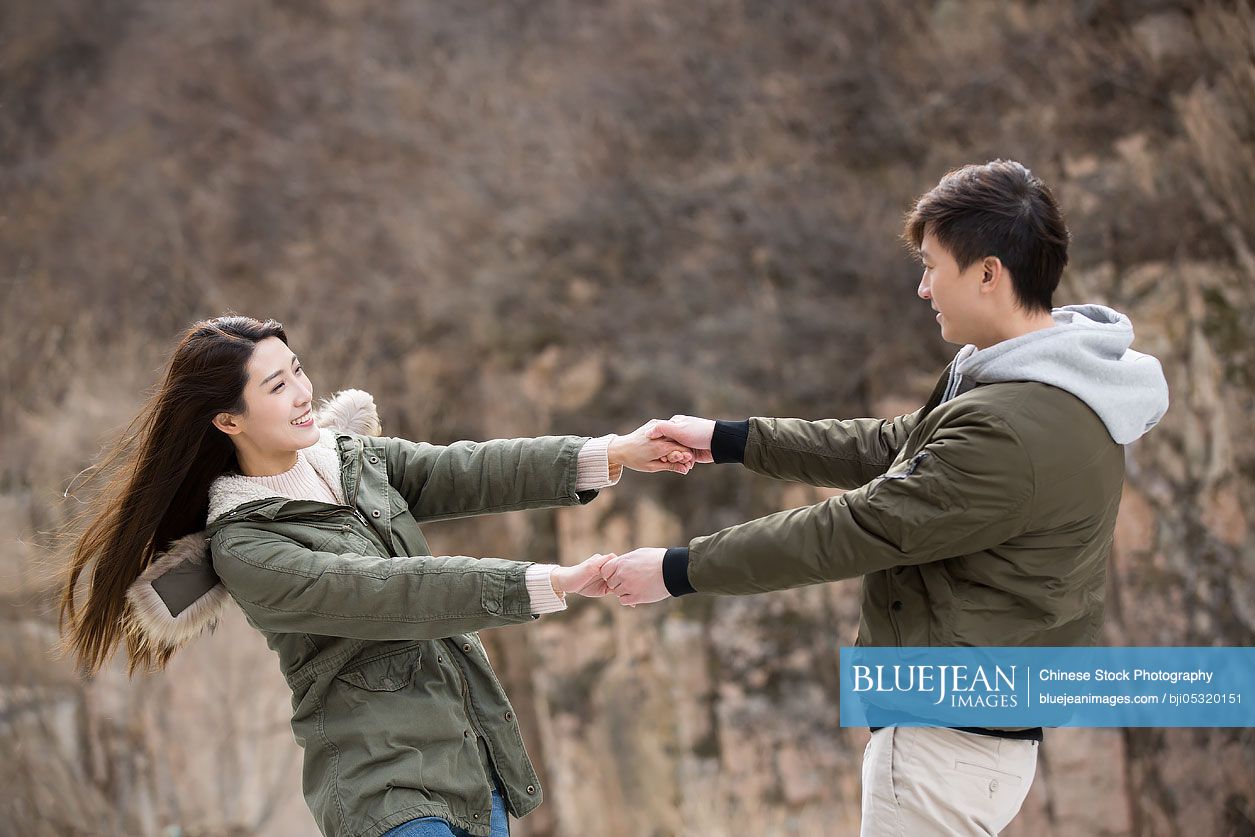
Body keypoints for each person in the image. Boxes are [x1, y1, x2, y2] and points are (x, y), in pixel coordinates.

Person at [599, 160, 1171, 835]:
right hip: (975, 732)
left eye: (932, 266)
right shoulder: (1042, 383)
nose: (922, 286)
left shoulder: (1007, 426)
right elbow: (892, 447)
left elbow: (851, 528)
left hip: (941, 743)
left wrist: (676, 570)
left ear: (988, 272)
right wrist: (730, 439)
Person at [55, 315, 696, 837]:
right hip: (384, 792)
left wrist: (614, 452)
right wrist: (551, 582)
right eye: (275, 387)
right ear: (229, 421)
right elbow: (392, 592)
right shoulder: (247, 547)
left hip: (473, 770)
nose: (303, 392)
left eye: (297, 370)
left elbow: (469, 470)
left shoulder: (352, 462)